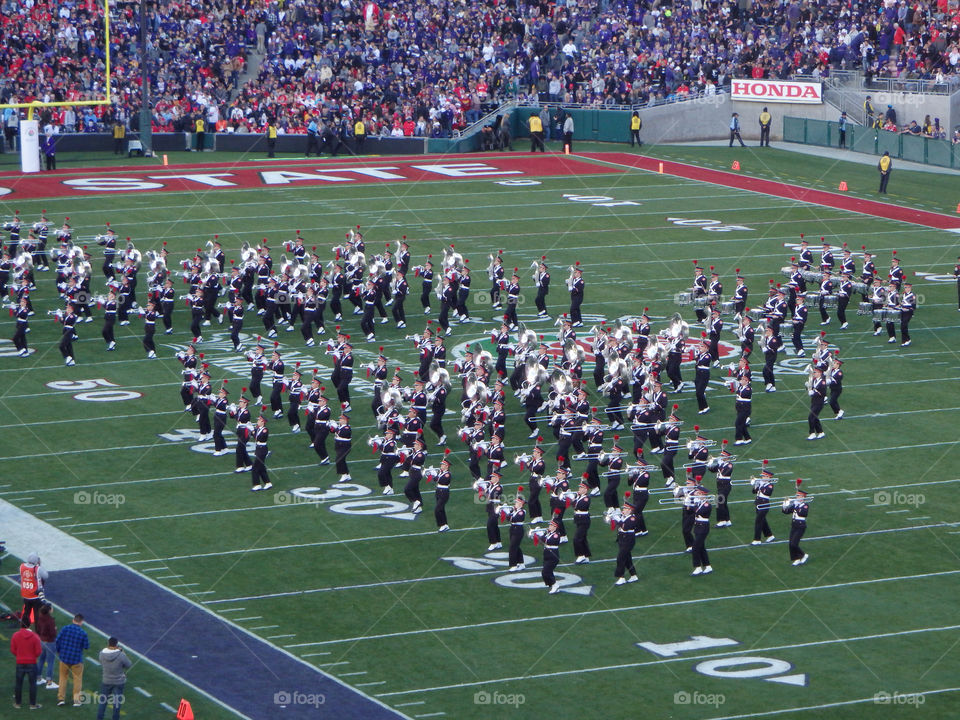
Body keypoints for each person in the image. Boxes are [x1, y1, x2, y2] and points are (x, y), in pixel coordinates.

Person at [55, 614, 89, 707]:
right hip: (76, 660)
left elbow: (57, 641)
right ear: (81, 622)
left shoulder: (65, 629)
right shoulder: (83, 633)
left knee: (63, 678)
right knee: (77, 680)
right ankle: (77, 700)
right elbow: (86, 646)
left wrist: (59, 652)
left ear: (73, 620)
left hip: (64, 658)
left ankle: (61, 699)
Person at [11, 619, 42, 709]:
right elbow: (38, 651)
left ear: (21, 624)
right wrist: (32, 657)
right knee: (32, 684)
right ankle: (32, 704)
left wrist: (20, 655)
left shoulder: (15, 635)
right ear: (29, 625)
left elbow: (13, 650)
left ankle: (17, 703)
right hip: (32, 663)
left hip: (20, 662)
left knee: (18, 683)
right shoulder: (35, 636)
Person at [97, 637, 131, 720]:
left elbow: (101, 661)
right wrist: (123, 652)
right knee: (117, 703)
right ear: (116, 644)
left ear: (108, 643)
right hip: (119, 682)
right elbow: (128, 664)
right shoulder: (121, 655)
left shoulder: (102, 654)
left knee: (103, 702)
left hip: (106, 680)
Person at [783, 483, 810, 565]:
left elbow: (803, 514)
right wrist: (785, 505)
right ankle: (796, 559)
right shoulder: (795, 504)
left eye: (798, 496)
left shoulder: (805, 505)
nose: (797, 497)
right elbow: (786, 512)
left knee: (794, 544)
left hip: (801, 526)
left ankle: (804, 555)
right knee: (790, 543)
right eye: (797, 496)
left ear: (802, 497)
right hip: (794, 525)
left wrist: (796, 505)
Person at [19, 552, 48, 626]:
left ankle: (24, 628)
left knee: (26, 612)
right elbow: (45, 576)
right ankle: (38, 631)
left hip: (25, 594)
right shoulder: (37, 569)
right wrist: (40, 565)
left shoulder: (22, 566)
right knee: (37, 614)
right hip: (35, 595)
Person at [35, 603, 58, 688]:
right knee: (50, 662)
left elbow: (37, 629)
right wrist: (55, 630)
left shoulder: (40, 618)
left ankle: (38, 678)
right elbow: (53, 633)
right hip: (50, 642)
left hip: (42, 641)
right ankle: (49, 682)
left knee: (41, 659)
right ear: (49, 610)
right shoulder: (50, 620)